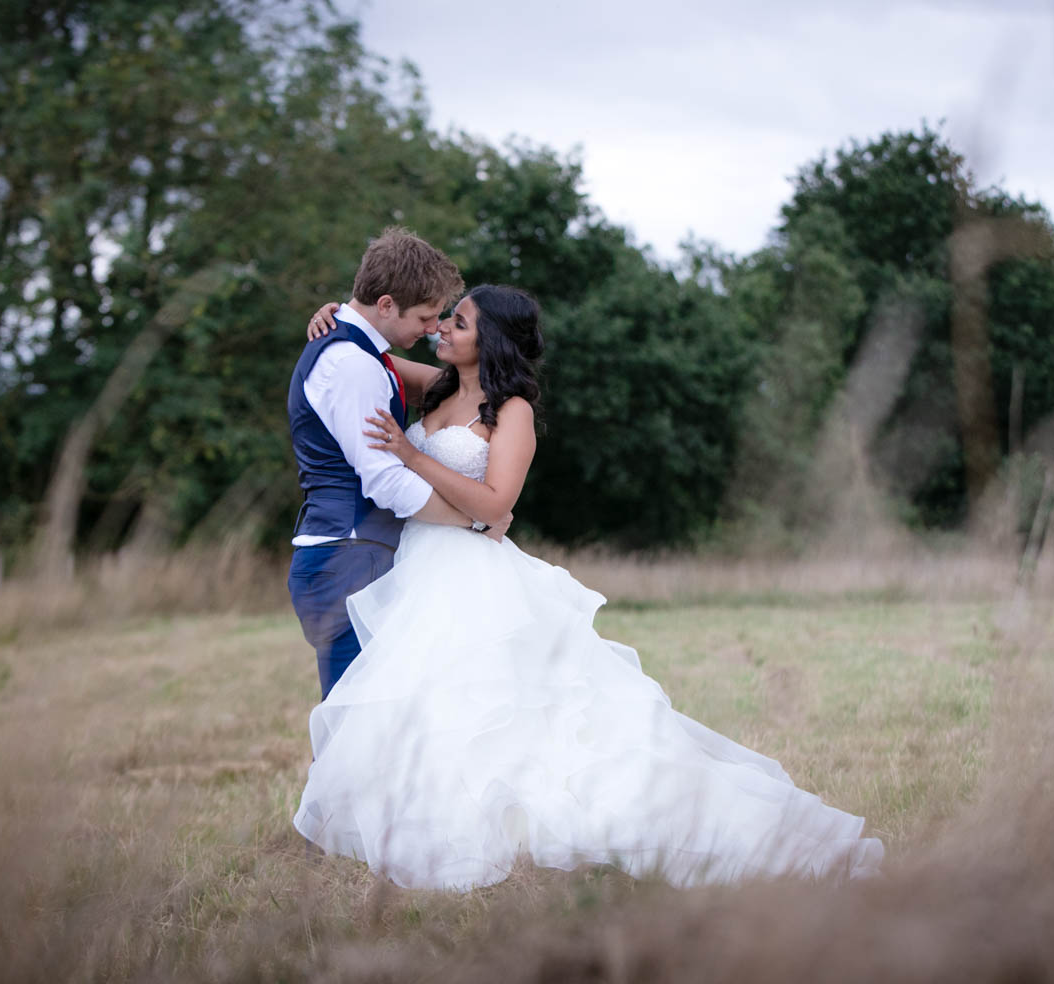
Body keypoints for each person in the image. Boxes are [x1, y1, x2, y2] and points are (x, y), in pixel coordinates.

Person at [292, 285, 884, 889]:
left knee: (502, 709)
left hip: (470, 574)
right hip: (417, 567)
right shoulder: (436, 385)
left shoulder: (512, 409)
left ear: (489, 341)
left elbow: (497, 503)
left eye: (459, 323)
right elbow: (368, 352)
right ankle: (422, 827)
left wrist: (414, 460)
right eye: (446, 318)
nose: (443, 327)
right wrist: (337, 315)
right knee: (432, 709)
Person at [286, 228, 509, 702]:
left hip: (359, 553)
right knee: (358, 729)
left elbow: (467, 392)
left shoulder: (370, 355)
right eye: (426, 316)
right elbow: (386, 482)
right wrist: (472, 522)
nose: (433, 328)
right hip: (346, 555)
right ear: (386, 305)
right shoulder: (352, 363)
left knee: (384, 726)